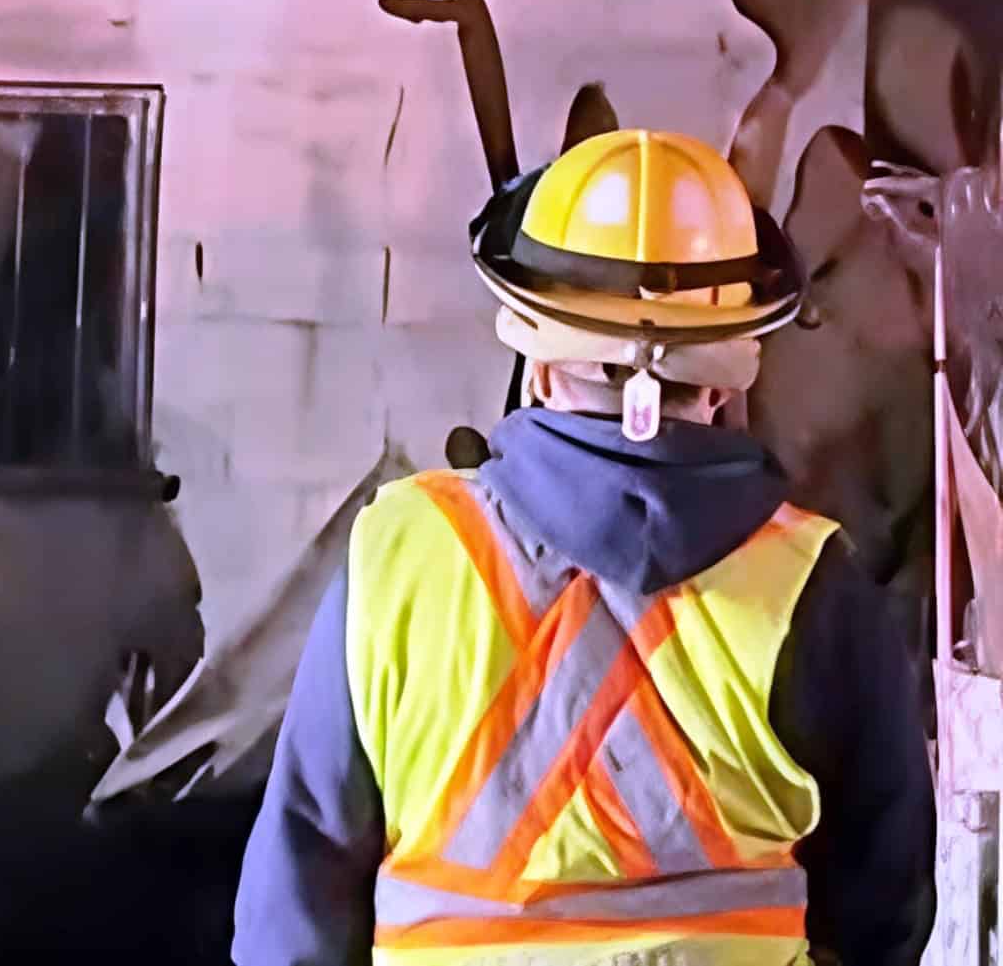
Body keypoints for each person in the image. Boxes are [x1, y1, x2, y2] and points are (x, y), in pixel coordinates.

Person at [232, 130, 935, 966]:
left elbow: (297, 895)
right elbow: (884, 905)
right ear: (725, 375)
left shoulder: (400, 556)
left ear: (534, 359)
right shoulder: (817, 583)